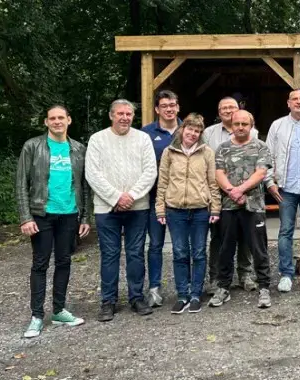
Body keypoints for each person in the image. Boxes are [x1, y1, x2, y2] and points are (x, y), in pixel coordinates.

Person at [16, 105, 92, 338]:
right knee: (40, 264)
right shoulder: (32, 146)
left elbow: (85, 186)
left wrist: (85, 216)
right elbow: (21, 184)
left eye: (61, 118)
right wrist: (25, 217)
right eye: (52, 118)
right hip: (41, 213)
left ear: (69, 120)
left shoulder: (79, 148)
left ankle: (59, 310)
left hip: (69, 213)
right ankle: (37, 316)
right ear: (46, 122)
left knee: (64, 262)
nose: (57, 121)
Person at [86, 99, 158, 322]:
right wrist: (117, 197)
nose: (125, 117)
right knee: (110, 254)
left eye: (129, 114)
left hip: (137, 208)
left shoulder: (142, 138)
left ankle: (136, 297)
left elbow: (150, 172)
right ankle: (108, 301)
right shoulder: (98, 139)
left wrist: (131, 196)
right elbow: (92, 173)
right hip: (106, 208)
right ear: (111, 115)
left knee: (135, 253)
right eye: (120, 113)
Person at [155, 113, 221, 314]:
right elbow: (163, 182)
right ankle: (182, 294)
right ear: (182, 130)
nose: (193, 133)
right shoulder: (169, 152)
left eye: (197, 131)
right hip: (175, 210)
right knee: (180, 252)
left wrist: (215, 207)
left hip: (200, 209)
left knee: (199, 252)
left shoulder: (206, 152)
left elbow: (212, 182)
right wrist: (160, 208)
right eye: (190, 129)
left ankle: (195, 294)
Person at [208, 110, 274, 309]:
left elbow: (261, 172)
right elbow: (218, 173)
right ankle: (223, 287)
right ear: (231, 125)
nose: (240, 127)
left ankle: (263, 287)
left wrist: (241, 189)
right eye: (237, 124)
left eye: (245, 124)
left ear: (251, 125)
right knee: (225, 249)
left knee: (259, 248)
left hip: (253, 206)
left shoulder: (260, 147)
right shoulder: (222, 149)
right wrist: (231, 191)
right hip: (228, 207)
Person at [265, 89, 300, 293]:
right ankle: (286, 274)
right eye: (295, 99)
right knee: (285, 231)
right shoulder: (277, 125)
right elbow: (268, 155)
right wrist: (269, 182)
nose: (298, 102)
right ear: (288, 103)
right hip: (285, 187)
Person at [202, 97, 257, 292]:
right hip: (218, 193)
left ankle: (245, 275)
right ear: (218, 112)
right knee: (218, 237)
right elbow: (205, 162)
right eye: (223, 107)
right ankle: (216, 278)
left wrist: (242, 190)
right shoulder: (208, 133)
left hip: (246, 192)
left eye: (231, 107)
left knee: (245, 236)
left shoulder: (253, 132)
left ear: (238, 110)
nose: (227, 110)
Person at [141, 89, 182, 307]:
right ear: (157, 109)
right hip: (153, 199)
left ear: (178, 107)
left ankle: (182, 287)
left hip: (181, 200)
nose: (169, 109)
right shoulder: (145, 133)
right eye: (164, 105)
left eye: (172, 105)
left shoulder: (189, 130)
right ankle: (154, 288)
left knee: (180, 246)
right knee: (155, 244)